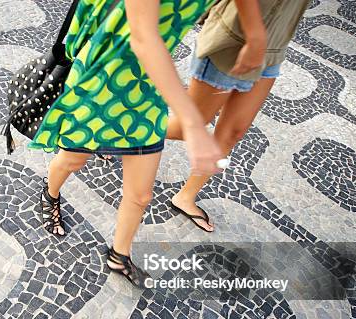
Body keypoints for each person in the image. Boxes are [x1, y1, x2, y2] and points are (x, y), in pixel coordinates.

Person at [28, 0, 224, 288]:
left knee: (141, 195)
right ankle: (50, 193)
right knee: (74, 160)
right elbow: (143, 35)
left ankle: (119, 256)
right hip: (101, 79)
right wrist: (193, 123)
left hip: (146, 89)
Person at [167, 0, 310, 232]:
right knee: (189, 126)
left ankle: (185, 197)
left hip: (273, 46)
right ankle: (105, 135)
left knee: (234, 131)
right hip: (234, 38)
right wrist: (255, 37)